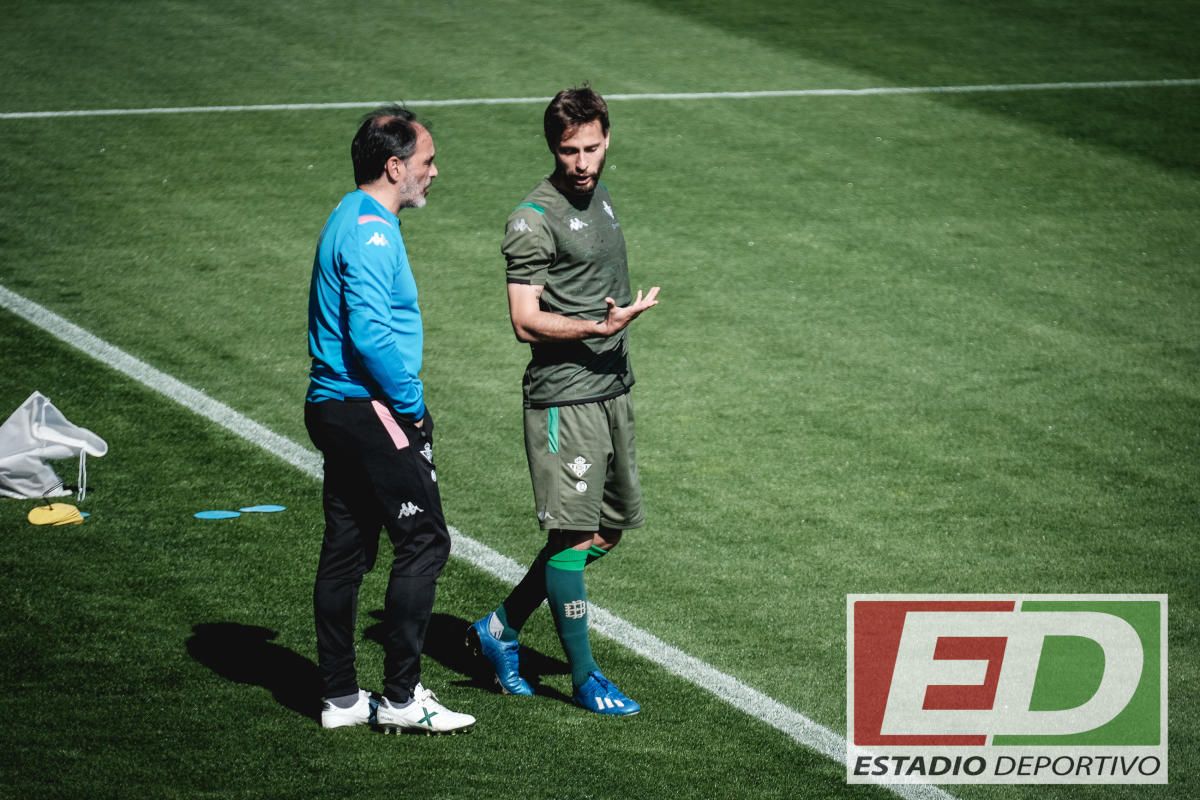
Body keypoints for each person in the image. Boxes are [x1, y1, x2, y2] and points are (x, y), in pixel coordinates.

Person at [467, 86, 660, 716]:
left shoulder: (602, 196)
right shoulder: (532, 219)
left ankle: (498, 628)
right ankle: (585, 678)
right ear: (553, 147)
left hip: (612, 388)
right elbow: (524, 320)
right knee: (573, 534)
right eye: (570, 151)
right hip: (564, 399)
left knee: (607, 529)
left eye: (593, 148)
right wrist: (597, 328)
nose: (582, 163)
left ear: (607, 140)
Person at [305, 105, 474, 734]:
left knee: (347, 548)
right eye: (427, 161)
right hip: (366, 405)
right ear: (395, 167)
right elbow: (371, 335)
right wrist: (413, 405)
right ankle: (402, 699)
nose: (434, 172)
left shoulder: (347, 215)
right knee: (425, 540)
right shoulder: (373, 232)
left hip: (334, 405)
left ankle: (340, 697)